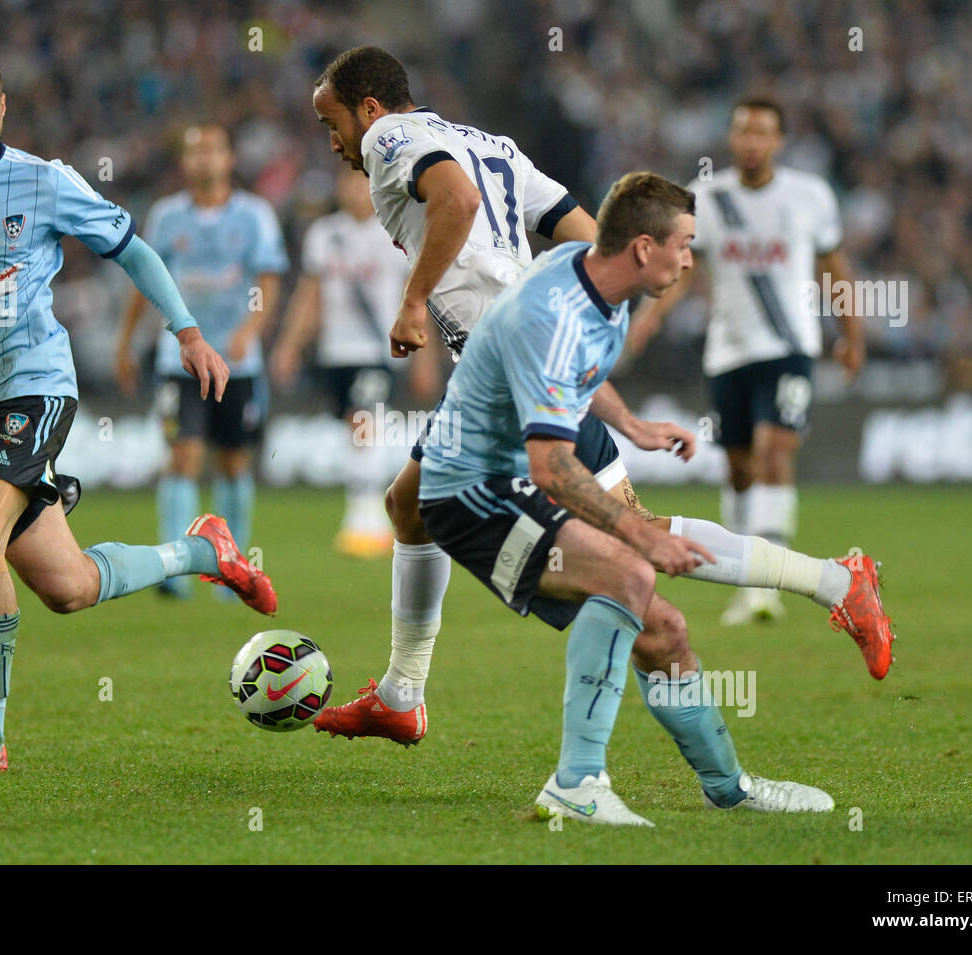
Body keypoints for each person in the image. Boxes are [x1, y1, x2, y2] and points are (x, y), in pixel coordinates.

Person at [308, 49, 893, 748]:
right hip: (515, 352)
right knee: (410, 505)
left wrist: (412, 304)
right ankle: (402, 694)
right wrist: (602, 292)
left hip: (514, 360)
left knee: (617, 535)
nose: (334, 139)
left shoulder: (388, 138)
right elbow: (575, 223)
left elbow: (458, 203)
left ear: (369, 108)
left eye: (332, 121)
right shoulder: (489, 143)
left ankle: (833, 582)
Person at [0, 40, 276, 772]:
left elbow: (131, 249)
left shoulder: (43, 182)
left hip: (34, 383)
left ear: (5, 107)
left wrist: (187, 331)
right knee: (68, 588)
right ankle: (204, 550)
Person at [419, 172, 837, 824]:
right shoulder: (550, 314)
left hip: (512, 483)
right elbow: (552, 464)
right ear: (644, 247)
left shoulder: (589, 276)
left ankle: (730, 787)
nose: (693, 258)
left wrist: (631, 425)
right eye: (686, 244)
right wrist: (640, 533)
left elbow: (574, 379)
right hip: (470, 493)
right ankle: (576, 784)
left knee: (665, 630)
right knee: (629, 572)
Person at [628, 97, 866, 626]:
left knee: (774, 453)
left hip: (790, 348)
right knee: (738, 469)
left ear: (779, 141)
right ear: (731, 139)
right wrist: (651, 315)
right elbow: (684, 267)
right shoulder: (709, 198)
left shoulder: (809, 196)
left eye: (762, 133)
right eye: (742, 132)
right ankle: (746, 577)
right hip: (729, 352)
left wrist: (851, 334)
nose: (751, 142)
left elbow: (834, 268)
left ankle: (768, 591)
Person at [115, 124, 288, 599]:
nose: (204, 160)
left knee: (233, 463)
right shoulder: (167, 216)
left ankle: (230, 574)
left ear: (230, 158)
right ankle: (175, 568)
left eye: (212, 150)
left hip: (238, 364)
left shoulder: (254, 215)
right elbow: (144, 279)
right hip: (181, 363)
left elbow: (269, 280)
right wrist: (127, 341)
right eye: (194, 153)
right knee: (182, 456)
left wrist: (249, 332)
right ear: (185, 162)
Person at [270, 168, 429, 557]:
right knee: (355, 428)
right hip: (335, 351)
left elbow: (422, 295)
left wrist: (426, 359)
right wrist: (289, 345)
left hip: (379, 350)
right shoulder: (324, 234)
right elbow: (310, 295)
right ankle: (365, 513)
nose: (354, 190)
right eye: (347, 182)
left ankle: (366, 520)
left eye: (361, 182)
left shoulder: (395, 233)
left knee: (364, 421)